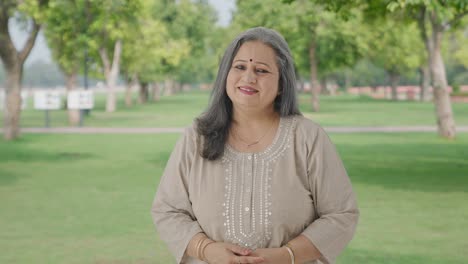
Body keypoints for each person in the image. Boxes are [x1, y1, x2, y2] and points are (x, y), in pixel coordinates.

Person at [151, 27, 359, 264]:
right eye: (240, 67)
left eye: (261, 70)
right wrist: (206, 249)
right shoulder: (197, 138)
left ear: (282, 84)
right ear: (225, 75)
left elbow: (341, 214)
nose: (248, 77)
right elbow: (167, 211)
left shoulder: (307, 138)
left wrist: (286, 255)